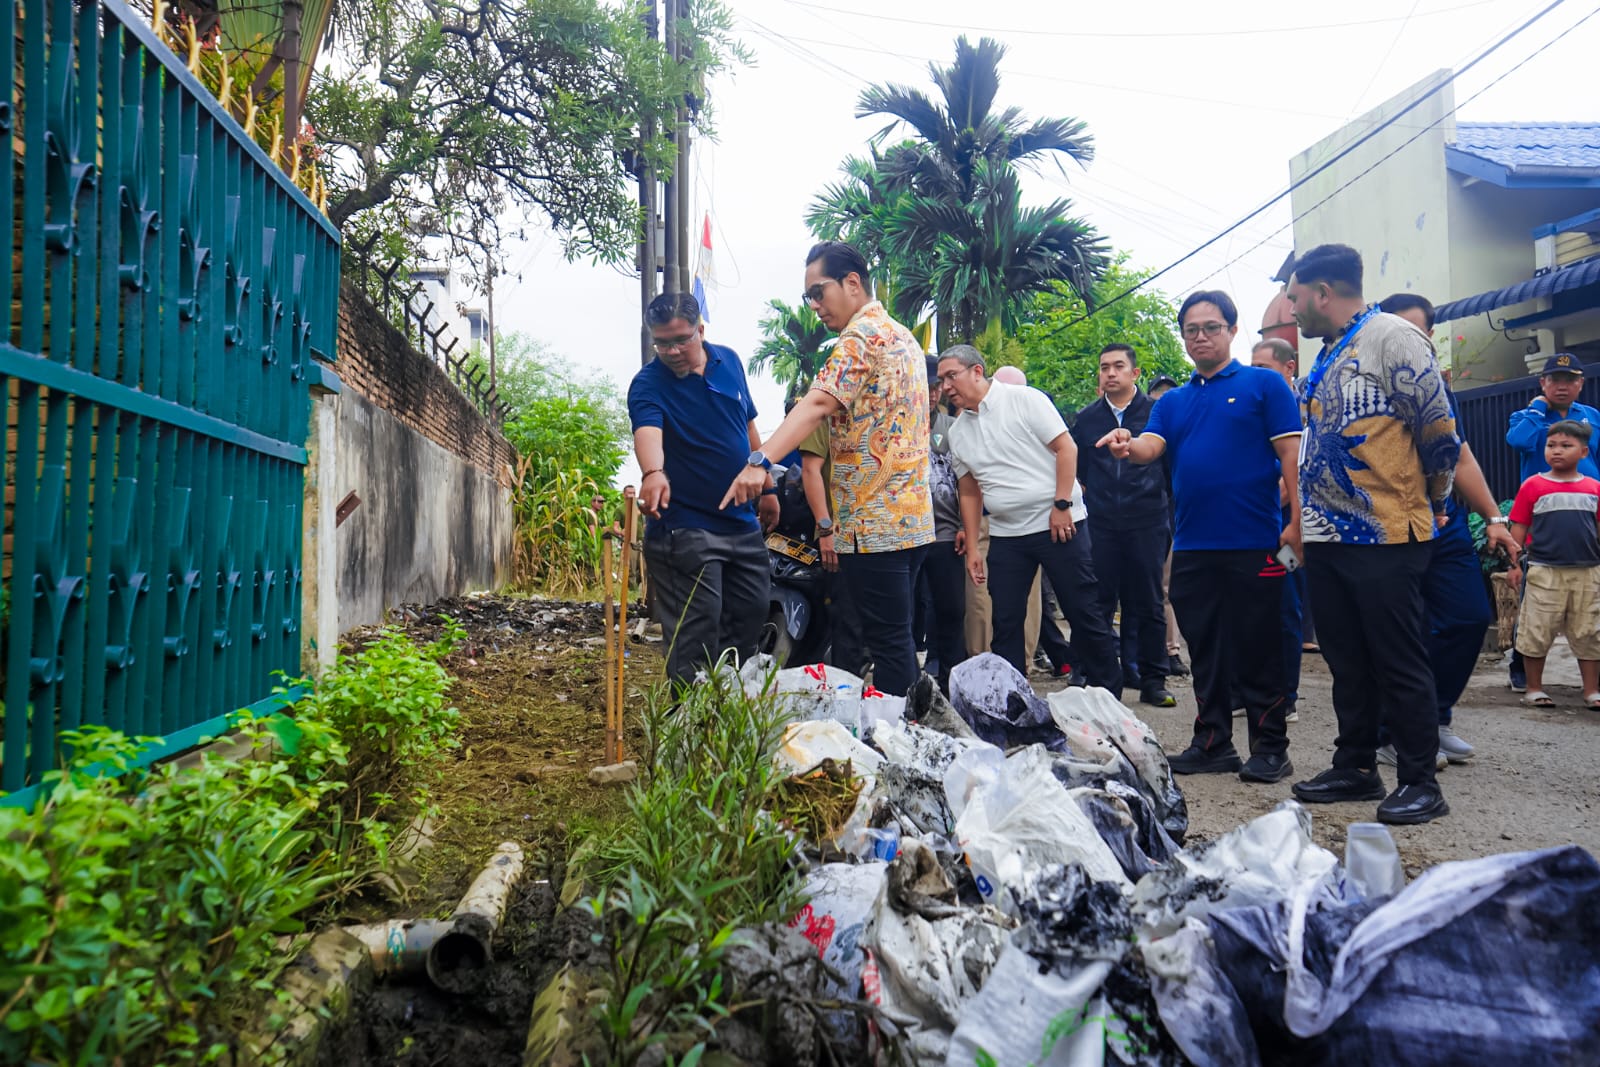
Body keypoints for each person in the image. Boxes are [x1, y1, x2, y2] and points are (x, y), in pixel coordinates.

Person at [1285, 244, 1460, 826]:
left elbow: (1438, 431)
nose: (1290, 304)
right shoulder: (1333, 350)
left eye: (1295, 294)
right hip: (1330, 536)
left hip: (1387, 532)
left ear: (1322, 293)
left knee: (1398, 659)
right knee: (1347, 660)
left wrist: (1434, 503)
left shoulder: (1393, 337)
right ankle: (1356, 766)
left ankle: (1420, 781)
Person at [1097, 290, 1302, 782]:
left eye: (1211, 327)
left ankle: (1270, 747)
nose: (1201, 336)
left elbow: (1291, 455)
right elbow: (1152, 446)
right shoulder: (1176, 401)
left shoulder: (1264, 386)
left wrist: (1295, 520)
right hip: (1191, 545)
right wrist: (1128, 444)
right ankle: (1213, 742)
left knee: (1259, 646)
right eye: (1192, 329)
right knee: (1204, 647)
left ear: (1233, 330)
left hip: (1256, 541)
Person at [722, 241, 934, 696]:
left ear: (852, 283)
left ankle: (900, 745)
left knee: (888, 644)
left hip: (874, 527)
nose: (815, 306)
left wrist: (761, 460)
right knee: (897, 639)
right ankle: (906, 734)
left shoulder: (861, 337)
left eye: (819, 293)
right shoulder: (904, 337)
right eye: (809, 298)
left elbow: (818, 402)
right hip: (911, 522)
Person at [1379, 292, 1521, 764]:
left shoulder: (1436, 390)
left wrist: (1494, 519)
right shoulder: (1363, 388)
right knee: (1402, 632)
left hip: (1445, 521)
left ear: (1429, 337)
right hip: (1386, 528)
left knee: (1466, 616)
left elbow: (1457, 454)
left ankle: (1433, 720)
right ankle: (1392, 734)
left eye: (1414, 333)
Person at [938, 344, 1122, 689]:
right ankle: (1012, 700)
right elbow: (970, 490)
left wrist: (1062, 504)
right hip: (1007, 534)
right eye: (942, 379)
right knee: (1005, 620)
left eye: (952, 376)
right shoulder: (958, 431)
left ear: (977, 371)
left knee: (1082, 612)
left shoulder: (1024, 399)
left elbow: (1066, 448)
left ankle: (1108, 694)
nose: (946, 386)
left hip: (1058, 523)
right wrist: (975, 547)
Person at [630, 291, 777, 687]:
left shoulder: (728, 361)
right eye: (662, 342)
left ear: (701, 329)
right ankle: (688, 724)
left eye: (682, 339)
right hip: (686, 527)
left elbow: (747, 427)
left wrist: (769, 485)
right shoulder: (648, 384)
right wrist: (653, 472)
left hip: (741, 525)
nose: (672, 350)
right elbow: (648, 432)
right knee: (698, 628)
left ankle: (727, 716)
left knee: (750, 615)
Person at [1071, 344, 1175, 707]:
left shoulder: (1157, 413)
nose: (1110, 373)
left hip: (1147, 518)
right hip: (1100, 521)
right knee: (1096, 599)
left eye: (1118, 366)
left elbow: (1169, 468)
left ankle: (1153, 678)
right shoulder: (1086, 419)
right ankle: (1090, 671)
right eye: (1104, 367)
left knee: (1146, 600)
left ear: (1135, 372)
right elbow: (1080, 472)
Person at [1503, 352, 1600, 692]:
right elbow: (1517, 442)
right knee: (1535, 605)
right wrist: (1536, 409)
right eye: (1554, 379)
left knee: (1590, 609)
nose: (1561, 386)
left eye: (1568, 379)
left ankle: (1591, 681)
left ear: (1580, 384)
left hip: (1587, 515)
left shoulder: (1592, 418)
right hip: (1543, 519)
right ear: (1542, 383)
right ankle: (1520, 667)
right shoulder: (1526, 416)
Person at [1250, 338, 1307, 723]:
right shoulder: (1257, 408)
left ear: (1289, 368)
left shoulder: (1306, 409)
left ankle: (1287, 696)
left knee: (1286, 606)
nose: (1256, 376)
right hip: (1258, 528)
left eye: (1265, 368)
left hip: (1290, 532)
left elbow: (1297, 470)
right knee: (1252, 609)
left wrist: (1289, 519)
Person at [923, 355, 968, 691]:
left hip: (947, 533)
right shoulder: (894, 427)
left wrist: (968, 526)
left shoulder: (952, 428)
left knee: (951, 610)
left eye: (936, 386)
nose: (932, 393)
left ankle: (951, 680)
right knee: (909, 613)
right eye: (925, 386)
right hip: (906, 535)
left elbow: (969, 483)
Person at [1143, 373, 1187, 675]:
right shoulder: (1146, 434)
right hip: (1144, 517)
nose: (1163, 401)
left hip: (1175, 516)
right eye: (1158, 396)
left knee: (1168, 587)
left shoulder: (1183, 433)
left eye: (1169, 395)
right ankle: (1144, 655)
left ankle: (1171, 651)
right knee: (1145, 590)